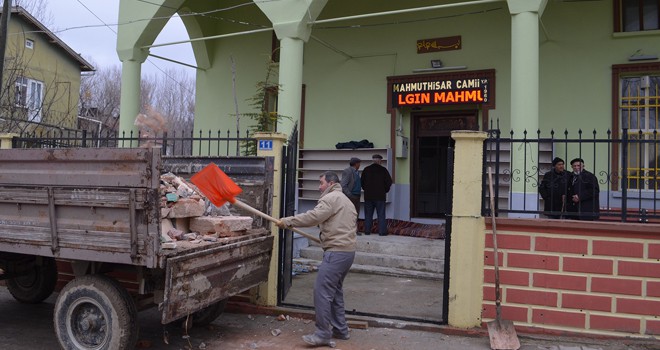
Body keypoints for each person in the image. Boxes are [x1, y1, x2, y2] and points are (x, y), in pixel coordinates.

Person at [277, 171, 357, 347]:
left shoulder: (331, 198)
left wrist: (287, 221)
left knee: (321, 292)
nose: (319, 187)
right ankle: (341, 330)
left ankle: (322, 334)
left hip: (336, 253)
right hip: (347, 252)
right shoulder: (346, 200)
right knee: (335, 292)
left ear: (330, 183)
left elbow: (313, 217)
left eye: (321, 183)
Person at [360, 154, 393, 236]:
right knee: (381, 214)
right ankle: (382, 232)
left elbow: (362, 182)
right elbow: (389, 182)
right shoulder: (383, 170)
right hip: (380, 196)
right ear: (379, 161)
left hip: (368, 196)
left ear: (373, 160)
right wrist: (384, 190)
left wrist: (367, 190)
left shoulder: (366, 169)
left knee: (368, 215)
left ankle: (367, 231)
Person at [340, 157, 362, 234]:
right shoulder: (348, 171)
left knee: (356, 213)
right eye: (359, 163)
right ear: (356, 164)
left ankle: (354, 229)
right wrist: (349, 194)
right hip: (351, 196)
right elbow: (343, 185)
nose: (360, 165)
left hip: (357, 195)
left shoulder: (356, 172)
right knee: (349, 213)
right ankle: (348, 230)